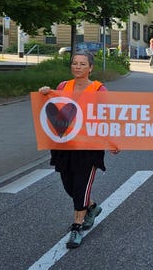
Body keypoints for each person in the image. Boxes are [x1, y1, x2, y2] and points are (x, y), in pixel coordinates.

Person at [38, 50, 119, 249]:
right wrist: (44, 94)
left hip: (89, 147)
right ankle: (91, 207)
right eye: (75, 63)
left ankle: (77, 227)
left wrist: (111, 141)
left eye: (83, 64)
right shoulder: (63, 86)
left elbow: (105, 117)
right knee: (70, 187)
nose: (78, 67)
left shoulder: (99, 89)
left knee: (81, 186)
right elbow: (54, 109)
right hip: (65, 145)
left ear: (90, 68)